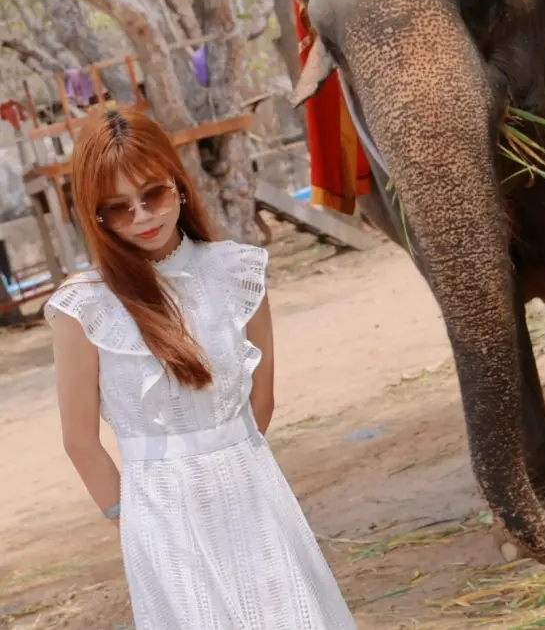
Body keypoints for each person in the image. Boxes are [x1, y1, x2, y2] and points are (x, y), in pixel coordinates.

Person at [45, 107, 357, 630]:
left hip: (251, 483)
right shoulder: (85, 306)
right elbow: (79, 438)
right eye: (119, 209)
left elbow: (262, 395)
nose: (143, 217)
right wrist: (129, 517)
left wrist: (232, 459)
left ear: (179, 185)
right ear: (95, 215)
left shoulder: (236, 270)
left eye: (154, 195)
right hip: (159, 506)